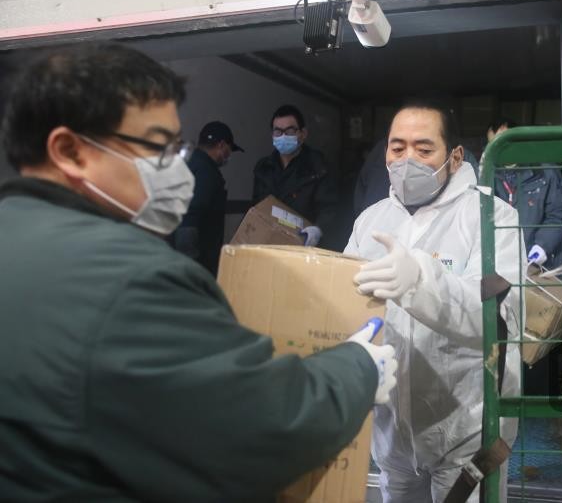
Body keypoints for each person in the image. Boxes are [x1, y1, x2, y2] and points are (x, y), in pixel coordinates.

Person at [0, 42, 397, 501]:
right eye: (159, 149)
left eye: (180, 148)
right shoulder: (132, 279)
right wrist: (357, 367)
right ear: (70, 151)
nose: (181, 171)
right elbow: (262, 428)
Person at [345, 100, 522, 503]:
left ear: (455, 157)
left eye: (423, 149)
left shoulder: (491, 217)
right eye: (397, 147)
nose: (407, 160)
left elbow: (499, 317)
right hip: (391, 430)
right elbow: (346, 305)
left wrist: (422, 282)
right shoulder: (370, 221)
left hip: (466, 430)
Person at [252, 104, 336, 248]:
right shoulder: (263, 168)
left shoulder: (318, 166)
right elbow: (256, 207)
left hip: (304, 246)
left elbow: (329, 208)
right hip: (269, 243)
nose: (283, 136)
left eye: (290, 131)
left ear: (303, 134)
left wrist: (318, 230)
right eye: (278, 131)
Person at [487, 119, 562, 269]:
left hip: (540, 265)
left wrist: (542, 246)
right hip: (501, 264)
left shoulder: (544, 172)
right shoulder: (487, 175)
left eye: (501, 143)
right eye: (492, 145)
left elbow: (558, 214)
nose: (496, 150)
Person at [171, 120, 242, 276]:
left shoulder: (188, 163)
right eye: (229, 150)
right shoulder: (207, 172)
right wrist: (192, 270)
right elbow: (190, 219)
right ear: (221, 145)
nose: (229, 155)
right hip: (195, 262)